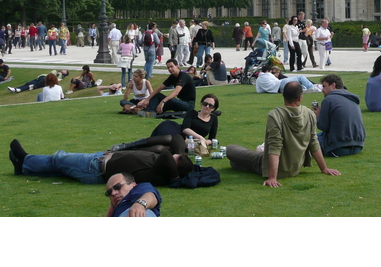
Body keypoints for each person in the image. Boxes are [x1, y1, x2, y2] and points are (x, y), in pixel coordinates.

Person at [226, 81, 342, 187]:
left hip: (271, 166)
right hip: (295, 168)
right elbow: (314, 142)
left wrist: (272, 177)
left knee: (231, 149)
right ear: (300, 98)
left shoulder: (275, 115)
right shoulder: (310, 114)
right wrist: (324, 168)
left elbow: (275, 146)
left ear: (283, 95)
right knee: (235, 163)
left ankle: (242, 164)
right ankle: (237, 165)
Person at [9, 138, 192, 187]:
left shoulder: (159, 175)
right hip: (101, 160)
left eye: (175, 158)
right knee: (58, 169)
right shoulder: (163, 167)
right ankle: (23, 168)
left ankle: (25, 159)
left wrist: (175, 175)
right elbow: (177, 138)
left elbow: (168, 154)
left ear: (173, 166)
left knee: (59, 158)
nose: (171, 154)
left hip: (95, 168)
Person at [313, 74, 365, 157]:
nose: (322, 90)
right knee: (318, 136)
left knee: (307, 140)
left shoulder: (328, 100)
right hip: (358, 145)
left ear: (333, 85)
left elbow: (323, 126)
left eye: (324, 86)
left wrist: (318, 115)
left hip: (337, 148)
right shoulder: (352, 99)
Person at [153, 93, 220, 148]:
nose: (207, 106)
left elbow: (212, 139)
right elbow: (185, 129)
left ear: (214, 108)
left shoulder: (213, 118)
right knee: (168, 138)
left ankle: (145, 148)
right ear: (201, 104)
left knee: (162, 148)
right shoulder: (192, 113)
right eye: (205, 104)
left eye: (210, 105)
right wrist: (200, 138)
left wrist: (206, 142)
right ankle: (144, 142)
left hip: (189, 141)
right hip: (176, 130)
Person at [255, 64, 322, 94]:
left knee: (294, 86)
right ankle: (313, 88)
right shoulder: (268, 74)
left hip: (279, 91)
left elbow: (259, 91)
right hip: (280, 84)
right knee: (300, 77)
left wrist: (268, 89)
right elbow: (277, 81)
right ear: (267, 71)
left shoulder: (258, 79)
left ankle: (303, 89)